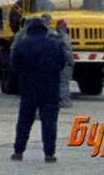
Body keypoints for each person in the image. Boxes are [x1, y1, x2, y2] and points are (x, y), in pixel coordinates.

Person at [10, 17, 71, 163]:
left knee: (24, 121)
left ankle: (18, 151)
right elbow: (62, 64)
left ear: (28, 29)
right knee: (49, 122)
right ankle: (49, 154)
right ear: (45, 29)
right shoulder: (55, 44)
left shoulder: (22, 44)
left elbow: (14, 65)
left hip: (28, 88)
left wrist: (25, 75)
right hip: (50, 89)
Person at [52, 18, 74, 107]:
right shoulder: (64, 36)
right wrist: (71, 61)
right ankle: (64, 100)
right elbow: (67, 50)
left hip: (54, 62)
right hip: (63, 62)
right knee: (64, 82)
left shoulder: (52, 34)